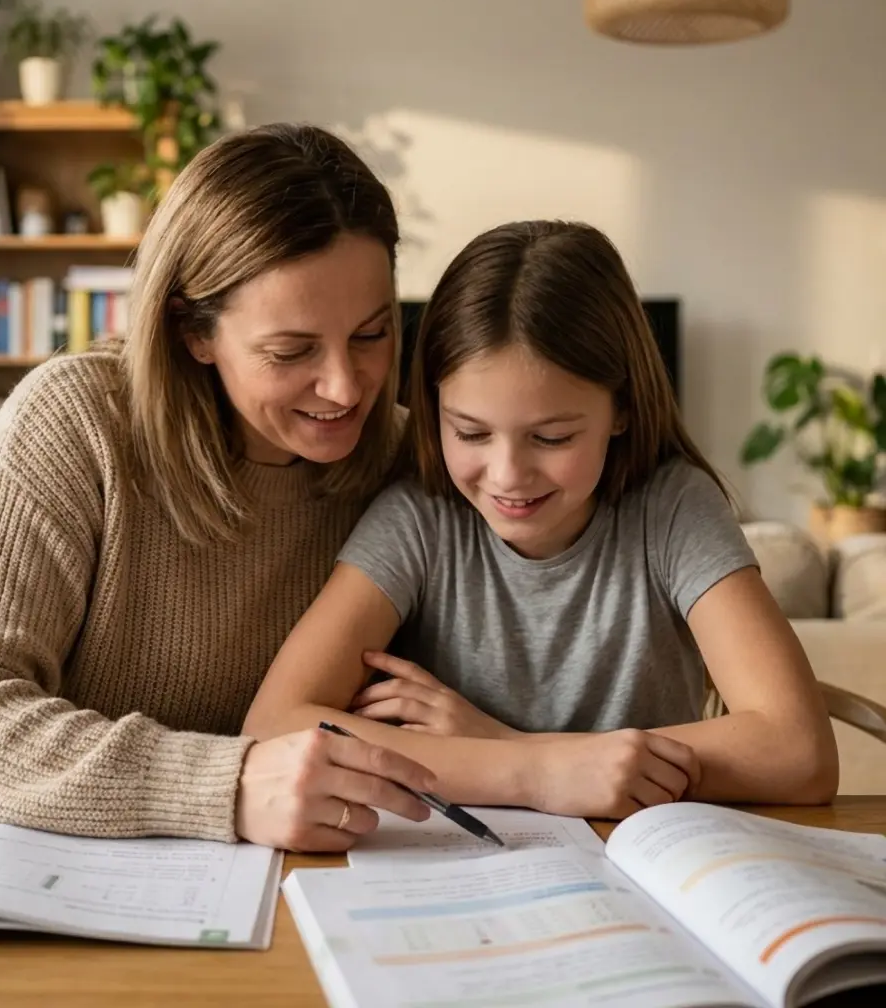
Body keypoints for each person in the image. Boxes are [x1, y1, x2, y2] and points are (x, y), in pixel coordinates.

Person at [0, 123, 437, 852]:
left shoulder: (400, 454)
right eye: (291, 350)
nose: (345, 385)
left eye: (372, 333)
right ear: (191, 333)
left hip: (266, 874)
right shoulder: (77, 421)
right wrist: (223, 784)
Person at [244, 219, 839, 819]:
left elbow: (800, 750)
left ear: (622, 408)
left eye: (552, 437)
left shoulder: (672, 509)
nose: (506, 475)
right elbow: (274, 726)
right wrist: (536, 773)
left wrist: (505, 743)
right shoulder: (420, 520)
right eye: (470, 432)